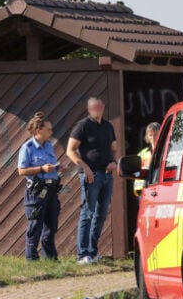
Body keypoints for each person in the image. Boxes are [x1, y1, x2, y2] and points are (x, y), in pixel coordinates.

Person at [67, 97, 118, 264]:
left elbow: (114, 149)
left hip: (106, 175)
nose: (95, 108)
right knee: (87, 213)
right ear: (88, 108)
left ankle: (93, 252)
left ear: (103, 107)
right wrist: (85, 168)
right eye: (92, 107)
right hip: (91, 175)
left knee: (101, 214)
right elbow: (70, 150)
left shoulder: (108, 126)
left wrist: (114, 162)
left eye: (98, 106)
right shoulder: (83, 126)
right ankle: (82, 255)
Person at [17, 113, 62, 261]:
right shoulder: (28, 148)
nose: (51, 132)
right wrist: (41, 169)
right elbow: (21, 171)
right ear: (38, 130)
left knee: (51, 224)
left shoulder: (49, 146)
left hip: (51, 190)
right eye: (48, 129)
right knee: (35, 225)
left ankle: (50, 258)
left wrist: (56, 169)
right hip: (36, 192)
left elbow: (50, 166)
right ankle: (32, 259)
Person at [134, 122, 161, 196]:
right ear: (147, 137)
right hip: (144, 190)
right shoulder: (142, 153)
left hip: (160, 188)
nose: (153, 137)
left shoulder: (165, 151)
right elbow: (135, 171)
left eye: (155, 135)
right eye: (150, 135)